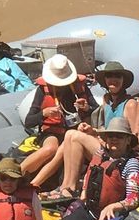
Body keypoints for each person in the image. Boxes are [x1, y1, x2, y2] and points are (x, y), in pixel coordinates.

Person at [32, 59, 139, 198]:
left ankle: (67, 188)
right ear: (105, 80)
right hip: (107, 146)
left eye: (117, 76)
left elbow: (138, 139)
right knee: (71, 134)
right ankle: (65, 187)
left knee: (73, 136)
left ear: (123, 80)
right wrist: (92, 131)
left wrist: (117, 145)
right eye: (109, 76)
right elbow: (104, 128)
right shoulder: (107, 100)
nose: (113, 80)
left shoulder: (130, 104)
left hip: (119, 153)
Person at [46, 115, 139, 220]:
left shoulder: (131, 164)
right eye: (111, 136)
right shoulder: (101, 154)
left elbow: (133, 199)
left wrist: (113, 206)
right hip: (89, 210)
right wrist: (84, 191)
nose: (114, 139)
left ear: (128, 140)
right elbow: (90, 173)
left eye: (119, 136)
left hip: (111, 218)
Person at [17, 54, 94, 185]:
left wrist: (87, 108)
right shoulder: (43, 90)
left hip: (75, 132)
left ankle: (34, 184)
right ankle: (15, 174)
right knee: (50, 149)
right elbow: (29, 121)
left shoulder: (80, 87)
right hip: (52, 132)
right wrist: (44, 113)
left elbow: (96, 110)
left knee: (63, 147)